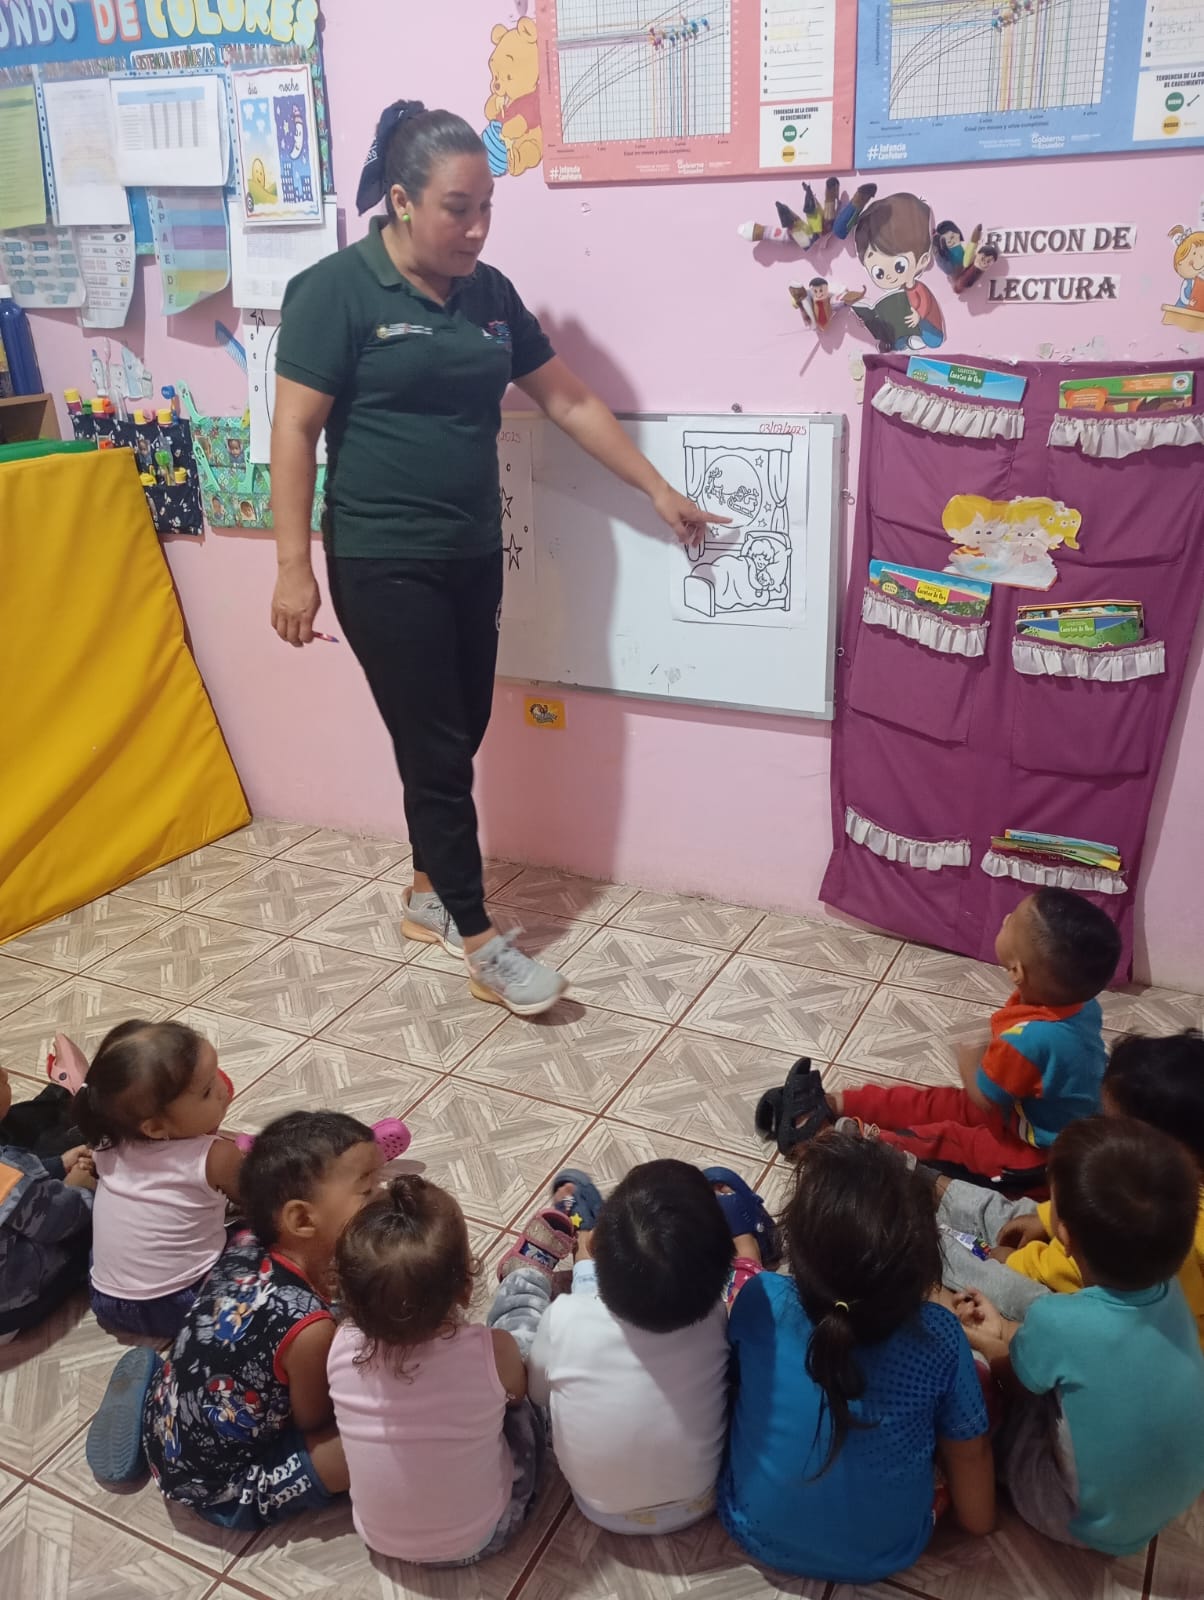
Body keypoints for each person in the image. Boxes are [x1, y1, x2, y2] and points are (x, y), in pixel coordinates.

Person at [269, 99, 725, 1019]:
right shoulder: (335, 291)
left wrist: (655, 488)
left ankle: (426, 890)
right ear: (402, 201)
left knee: (459, 727)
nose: (476, 229)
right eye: (457, 209)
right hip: (380, 554)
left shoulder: (490, 295)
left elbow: (568, 401)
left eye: (486, 208)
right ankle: (481, 942)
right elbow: (294, 429)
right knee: (438, 748)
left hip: (472, 548)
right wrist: (291, 565)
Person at [719, 1132, 994, 1584]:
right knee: (978, 1379)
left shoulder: (761, 1298)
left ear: (795, 1250)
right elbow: (971, 1460)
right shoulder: (941, 1337)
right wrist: (981, 1522)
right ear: (922, 1270)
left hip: (752, 1528)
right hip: (889, 1550)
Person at [85, 1111, 383, 1529]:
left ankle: (152, 1409)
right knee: (363, 1448)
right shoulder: (311, 1331)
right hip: (218, 1487)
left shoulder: (244, 1242)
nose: (382, 1197)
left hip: (172, 1419)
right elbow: (313, 1421)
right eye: (367, 1190)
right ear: (301, 1219)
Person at [757, 889, 1121, 1190]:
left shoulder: (1028, 1041)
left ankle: (829, 1143)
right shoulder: (1081, 1005)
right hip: (1032, 1118)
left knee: (942, 1138)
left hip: (1035, 1158)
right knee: (936, 1102)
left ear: (1016, 971)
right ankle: (838, 1102)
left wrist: (968, 1062)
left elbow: (983, 1096)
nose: (1006, 918)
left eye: (1011, 921)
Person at [957, 1116, 1204, 1555]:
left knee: (978, 1383)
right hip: (1166, 1505)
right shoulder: (1176, 1295)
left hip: (1077, 1519)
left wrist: (989, 1342)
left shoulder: (1057, 1319)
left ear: (1064, 1236)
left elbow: (1015, 1382)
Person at [327, 1174, 544, 1565]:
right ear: (465, 1288)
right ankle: (524, 1285)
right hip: (484, 1537)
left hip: (379, 1538)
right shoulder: (491, 1352)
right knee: (527, 1401)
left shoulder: (339, 1345)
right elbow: (518, 1393)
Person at [515, 1161, 738, 1535]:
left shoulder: (565, 1316)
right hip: (700, 1498)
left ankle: (580, 1252)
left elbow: (537, 1393)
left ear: (598, 1246)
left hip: (601, 1507)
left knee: (534, 1354)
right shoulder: (716, 1315)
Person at [937, 1030, 1204, 1337]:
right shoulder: (1165, 1184)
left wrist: (1018, 1262)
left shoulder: (1174, 1226)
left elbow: (1090, 1267)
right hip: (1109, 1268)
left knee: (1003, 1285)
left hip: (1126, 1321)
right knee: (1011, 1214)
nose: (1102, 1131)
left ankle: (930, 1251)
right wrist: (1043, 1219)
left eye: (1111, 1124)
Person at [73, 1020, 247, 1339]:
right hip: (178, 1300)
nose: (223, 1089)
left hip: (106, 1297)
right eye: (207, 1091)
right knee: (263, 1239)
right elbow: (258, 1198)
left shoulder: (107, 1144)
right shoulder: (216, 1157)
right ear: (154, 1127)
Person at [0, 1063, 95, 1342]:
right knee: (99, 1226)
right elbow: (62, 1219)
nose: (5, 1072)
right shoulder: (8, 1176)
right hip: (11, 1313)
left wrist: (57, 1165)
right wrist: (80, 1188)